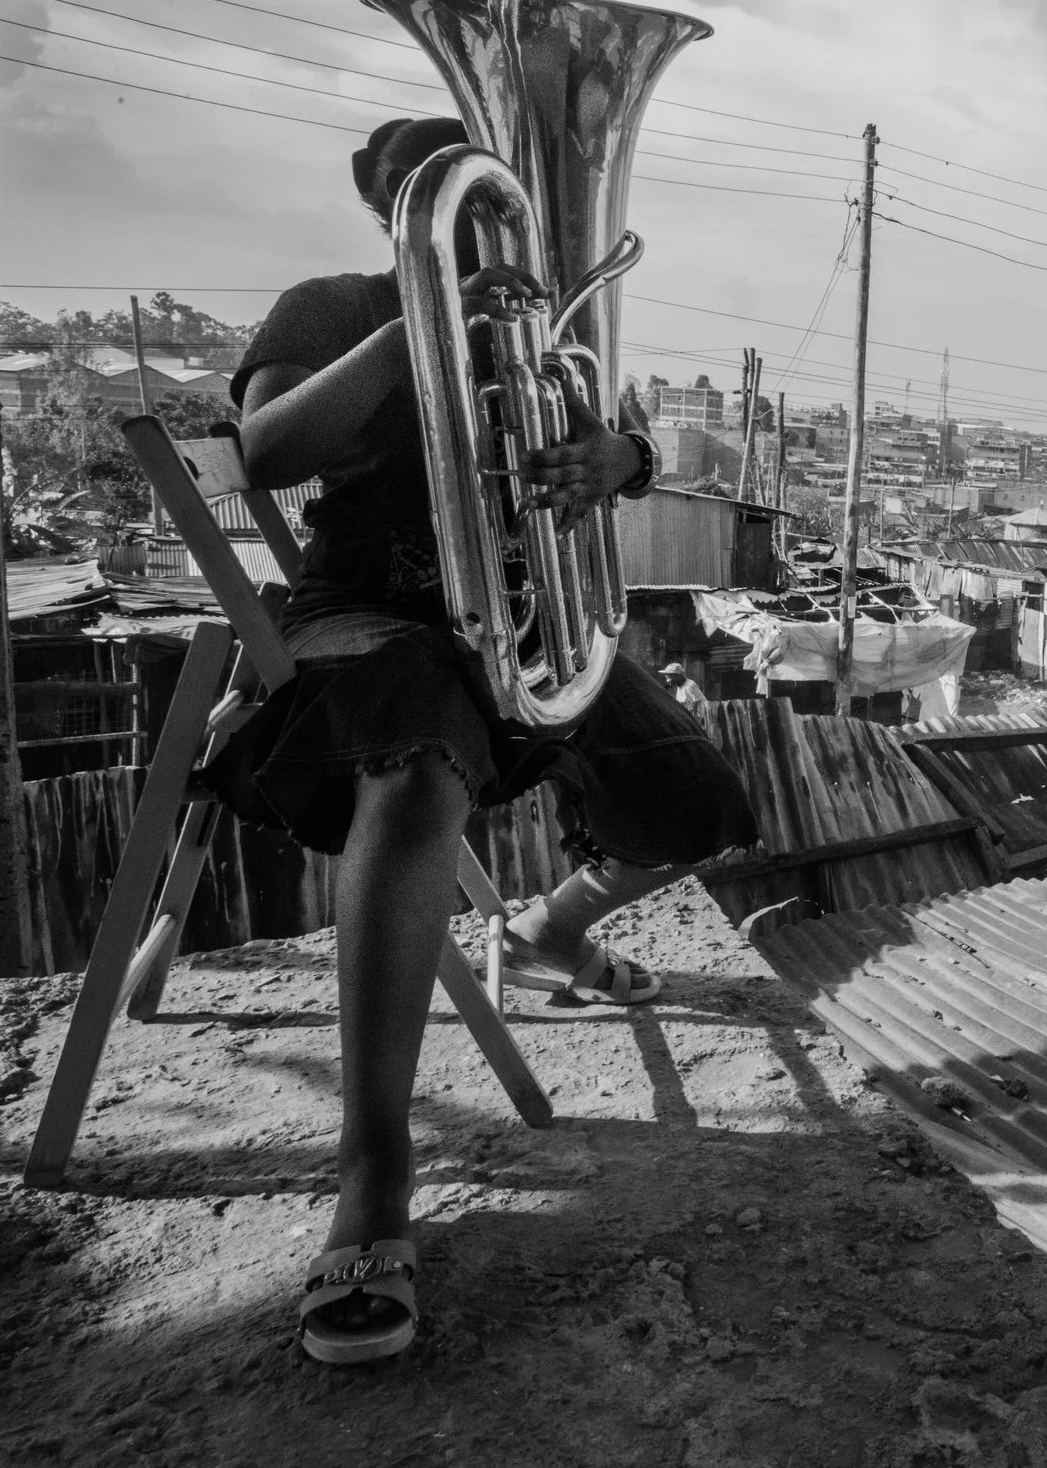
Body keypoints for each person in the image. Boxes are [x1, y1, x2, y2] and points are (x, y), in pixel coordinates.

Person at [211, 115, 757, 1365]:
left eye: (475, 188)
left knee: (695, 804)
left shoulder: (544, 323)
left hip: (522, 617)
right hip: (373, 617)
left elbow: (626, 446)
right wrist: (415, 324)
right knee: (410, 787)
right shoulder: (329, 301)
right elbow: (268, 452)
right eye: (423, 193)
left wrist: (610, 454)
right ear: (385, 205)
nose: (455, 210)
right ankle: (375, 1174)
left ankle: (548, 932)